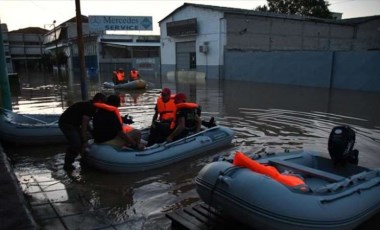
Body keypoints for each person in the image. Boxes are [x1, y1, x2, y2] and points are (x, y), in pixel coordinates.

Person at [59, 92, 107, 171]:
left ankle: (83, 160)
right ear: (99, 101)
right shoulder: (89, 107)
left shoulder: (92, 106)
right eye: (103, 103)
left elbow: (86, 123)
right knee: (76, 143)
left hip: (75, 123)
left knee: (83, 141)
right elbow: (84, 124)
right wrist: (84, 139)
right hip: (67, 123)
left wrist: (92, 134)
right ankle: (68, 164)